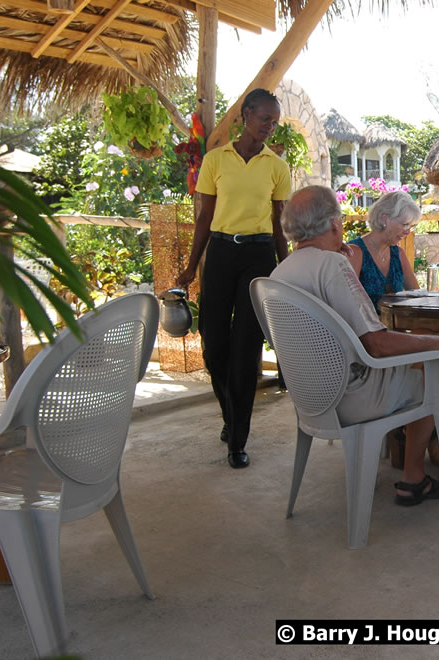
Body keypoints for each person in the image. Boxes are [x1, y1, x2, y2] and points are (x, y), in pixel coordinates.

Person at [272, 185, 439, 506]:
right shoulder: (334, 266)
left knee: (425, 359)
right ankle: (413, 479)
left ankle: (407, 436)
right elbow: (375, 344)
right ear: (334, 224)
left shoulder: (279, 273)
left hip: (311, 398)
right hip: (354, 395)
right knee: (435, 366)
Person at [175, 88, 291, 470]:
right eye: (264, 119)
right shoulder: (215, 159)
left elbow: (277, 225)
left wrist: (284, 267)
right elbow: (205, 217)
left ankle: (237, 439)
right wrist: (193, 265)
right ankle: (231, 413)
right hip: (221, 254)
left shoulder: (276, 166)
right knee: (213, 345)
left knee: (245, 350)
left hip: (258, 257)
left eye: (274, 122)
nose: (269, 127)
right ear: (245, 116)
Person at [346, 190, 420, 311]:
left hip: (395, 325)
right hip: (367, 328)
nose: (408, 231)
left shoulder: (398, 254)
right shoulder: (355, 252)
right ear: (384, 219)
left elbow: (417, 296)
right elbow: (347, 306)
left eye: (411, 226)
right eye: (405, 224)